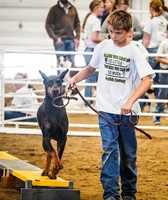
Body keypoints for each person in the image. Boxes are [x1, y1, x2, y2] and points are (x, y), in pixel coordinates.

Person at [68, 10, 155, 200]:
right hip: (105, 110)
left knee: (128, 155)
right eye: (111, 32)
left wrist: (130, 101)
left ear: (129, 31)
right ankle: (111, 195)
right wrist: (75, 78)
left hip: (127, 113)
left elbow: (147, 80)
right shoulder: (103, 47)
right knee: (109, 150)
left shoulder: (135, 51)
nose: (113, 36)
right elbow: (91, 68)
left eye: (118, 33)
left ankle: (129, 194)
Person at [82, 0, 106, 112]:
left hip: (88, 49)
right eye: (101, 7)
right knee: (91, 77)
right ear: (96, 8)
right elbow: (94, 38)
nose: (103, 9)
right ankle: (88, 104)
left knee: (89, 77)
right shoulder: (95, 20)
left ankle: (87, 103)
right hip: (92, 49)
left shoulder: (89, 18)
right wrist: (104, 40)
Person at [45, 0, 81, 75]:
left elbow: (77, 24)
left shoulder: (73, 8)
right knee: (60, 64)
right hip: (59, 41)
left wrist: (77, 38)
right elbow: (47, 25)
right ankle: (60, 85)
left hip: (71, 40)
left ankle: (71, 85)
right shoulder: (54, 9)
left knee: (72, 63)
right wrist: (55, 38)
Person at [142, 0, 167, 97]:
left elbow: (146, 40)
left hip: (151, 51)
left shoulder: (150, 21)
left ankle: (141, 104)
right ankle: (157, 106)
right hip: (161, 52)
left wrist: (142, 53)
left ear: (151, 8)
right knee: (158, 80)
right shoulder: (165, 21)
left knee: (144, 77)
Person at [153, 24, 168, 124]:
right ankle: (157, 115)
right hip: (165, 71)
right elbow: (158, 57)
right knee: (162, 93)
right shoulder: (164, 43)